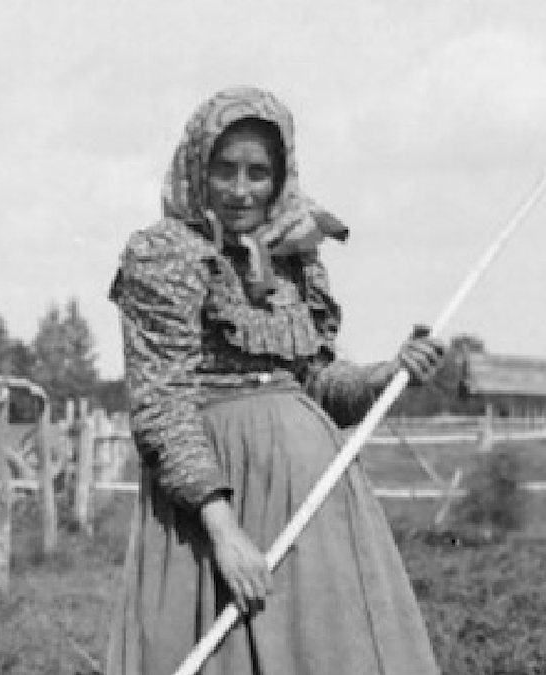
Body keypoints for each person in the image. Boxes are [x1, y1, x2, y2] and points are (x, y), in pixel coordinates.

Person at [105, 87, 446, 675]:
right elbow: (162, 404)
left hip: (315, 506)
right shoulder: (167, 256)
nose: (241, 190)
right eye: (225, 169)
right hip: (218, 502)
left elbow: (316, 384)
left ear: (280, 176)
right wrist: (224, 531)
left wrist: (391, 373)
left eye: (258, 173)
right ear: (197, 167)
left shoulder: (292, 256)